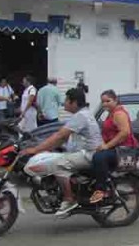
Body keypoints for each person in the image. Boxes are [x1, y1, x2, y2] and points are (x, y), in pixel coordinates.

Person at [21, 88, 103, 217]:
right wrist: (46, 148)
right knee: (55, 157)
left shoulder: (81, 116)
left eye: (66, 100)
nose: (63, 103)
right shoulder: (84, 113)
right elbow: (62, 138)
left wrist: (35, 150)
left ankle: (69, 199)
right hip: (86, 152)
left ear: (74, 102)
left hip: (89, 154)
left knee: (57, 164)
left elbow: (59, 135)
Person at [90, 90, 139, 204]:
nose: (105, 104)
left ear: (115, 100)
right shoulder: (111, 113)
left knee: (99, 158)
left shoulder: (119, 113)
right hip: (116, 148)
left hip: (124, 150)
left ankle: (101, 190)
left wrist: (107, 146)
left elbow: (124, 133)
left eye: (108, 101)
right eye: (103, 102)